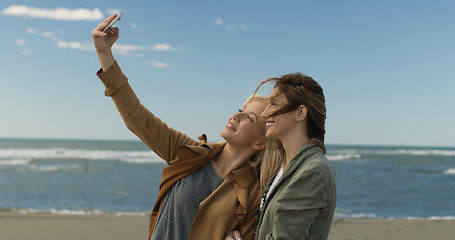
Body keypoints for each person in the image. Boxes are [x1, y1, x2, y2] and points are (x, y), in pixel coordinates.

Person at [91, 15, 281, 240]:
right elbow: (137, 118)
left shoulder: (253, 195)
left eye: (248, 118)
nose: (236, 116)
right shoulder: (190, 152)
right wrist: (104, 53)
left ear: (260, 142)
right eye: (240, 109)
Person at [226, 73, 337, 240]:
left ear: (300, 113)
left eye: (274, 104)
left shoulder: (313, 171)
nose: (265, 114)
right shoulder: (285, 167)